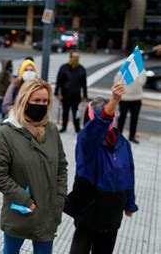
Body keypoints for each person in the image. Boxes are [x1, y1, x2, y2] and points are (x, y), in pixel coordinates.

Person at [0, 78, 68, 254]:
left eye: (45, 101)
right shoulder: (7, 132)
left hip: (48, 213)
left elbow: (61, 167)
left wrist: (60, 198)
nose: (41, 105)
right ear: (25, 101)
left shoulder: (51, 130)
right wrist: (26, 201)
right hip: (20, 212)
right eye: (37, 101)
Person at [64, 83, 138, 254]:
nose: (111, 118)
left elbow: (129, 173)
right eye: (108, 114)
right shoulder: (86, 140)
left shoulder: (122, 143)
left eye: (113, 114)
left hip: (112, 211)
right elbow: (98, 125)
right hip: (89, 208)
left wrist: (130, 202)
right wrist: (114, 100)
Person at [55, 51, 88, 133]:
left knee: (76, 112)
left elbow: (84, 84)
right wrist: (57, 93)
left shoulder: (81, 69)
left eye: (77, 57)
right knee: (65, 112)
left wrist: (85, 95)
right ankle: (64, 127)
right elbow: (58, 81)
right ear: (70, 57)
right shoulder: (63, 68)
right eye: (74, 57)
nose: (76, 59)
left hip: (76, 95)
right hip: (65, 94)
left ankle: (77, 128)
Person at [113, 70, 146, 144]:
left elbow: (143, 81)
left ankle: (132, 136)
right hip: (124, 98)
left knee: (134, 118)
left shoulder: (141, 70)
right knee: (122, 118)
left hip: (137, 98)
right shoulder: (123, 70)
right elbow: (116, 81)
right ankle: (118, 135)